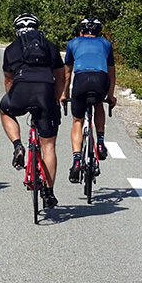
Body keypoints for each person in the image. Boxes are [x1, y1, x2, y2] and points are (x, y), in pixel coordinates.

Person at [0, 13, 66, 209]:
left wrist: (13, 99)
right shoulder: (50, 46)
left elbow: (9, 80)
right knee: (49, 147)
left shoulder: (11, 49)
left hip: (21, 91)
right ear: (38, 28)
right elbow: (60, 77)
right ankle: (49, 193)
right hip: (45, 93)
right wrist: (55, 99)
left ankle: (18, 145)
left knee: (5, 110)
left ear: (16, 31)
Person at [61, 17, 117, 184]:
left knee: (77, 120)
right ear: (99, 33)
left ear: (81, 32)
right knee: (98, 103)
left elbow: (67, 74)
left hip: (81, 80)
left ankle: (77, 160)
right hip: (101, 79)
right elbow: (112, 74)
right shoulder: (106, 44)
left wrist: (64, 94)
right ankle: (100, 142)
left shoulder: (72, 43)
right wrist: (111, 95)